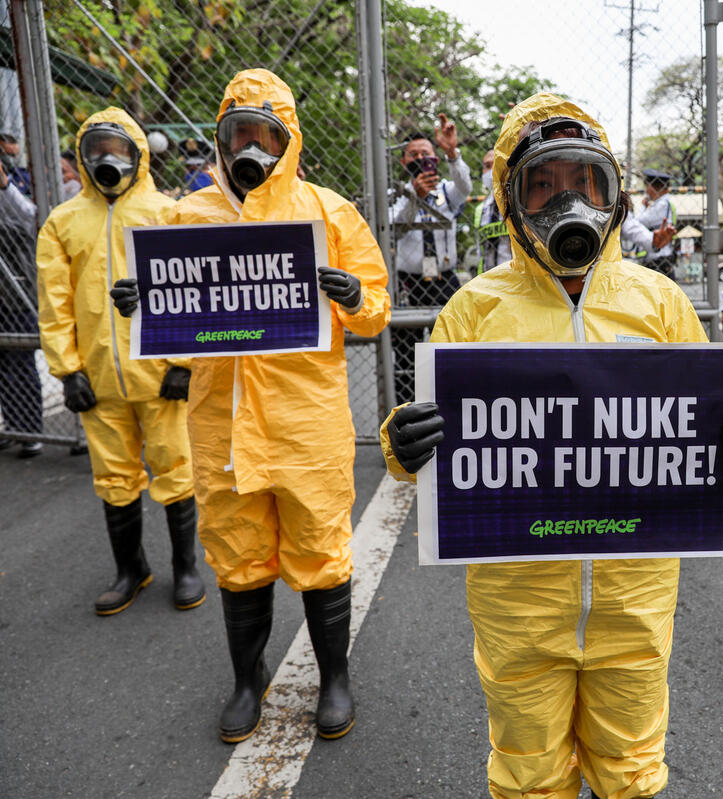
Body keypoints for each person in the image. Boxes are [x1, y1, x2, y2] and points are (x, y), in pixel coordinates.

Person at [381, 93, 723, 799]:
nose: (569, 204)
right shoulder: (474, 309)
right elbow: (428, 433)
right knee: (529, 773)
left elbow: (704, 422)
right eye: (543, 186)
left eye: (586, 183)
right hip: (517, 605)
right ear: (511, 202)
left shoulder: (660, 303)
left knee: (632, 771)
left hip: (635, 600)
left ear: (614, 196)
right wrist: (401, 442)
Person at [110, 69, 390, 743]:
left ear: (289, 141)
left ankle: (334, 678)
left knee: (321, 548)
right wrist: (141, 306)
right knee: (238, 553)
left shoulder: (327, 212)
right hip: (219, 420)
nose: (252, 149)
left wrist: (354, 296)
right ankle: (247, 678)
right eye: (240, 134)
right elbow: (170, 325)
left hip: (305, 421)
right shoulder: (186, 216)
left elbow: (377, 310)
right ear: (221, 138)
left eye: (267, 135)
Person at [36, 108, 201, 614]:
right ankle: (131, 570)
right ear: (83, 157)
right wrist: (67, 371)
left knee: (176, 468)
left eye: (119, 150)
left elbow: (191, 293)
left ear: (138, 155)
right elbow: (55, 304)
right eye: (98, 150)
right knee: (113, 476)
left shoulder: (167, 214)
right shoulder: (63, 222)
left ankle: (186, 567)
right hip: (99, 376)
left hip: (159, 374)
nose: (109, 160)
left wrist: (183, 362)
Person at [388, 114, 471, 402]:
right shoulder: (396, 195)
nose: (421, 159)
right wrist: (415, 196)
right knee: (406, 353)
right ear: (404, 161)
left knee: (449, 344)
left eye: (426, 153)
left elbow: (466, 187)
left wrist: (452, 152)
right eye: (414, 155)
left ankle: (451, 403)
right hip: (408, 282)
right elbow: (393, 229)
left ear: (435, 157)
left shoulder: (447, 190)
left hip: (444, 279)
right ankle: (406, 410)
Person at [0, 125, 44, 458]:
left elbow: (31, 218)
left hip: (18, 292)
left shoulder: (21, 186)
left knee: (22, 361)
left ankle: (31, 430)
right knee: (4, 364)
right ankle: (14, 425)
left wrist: (5, 185)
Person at [633, 167, 677, 278]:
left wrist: (643, 207)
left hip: (658, 263)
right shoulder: (662, 203)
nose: (646, 191)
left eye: (647, 187)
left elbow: (638, 222)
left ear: (652, 188)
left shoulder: (662, 205)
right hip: (657, 262)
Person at [473, 148, 511, 273]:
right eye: (487, 166)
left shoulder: (519, 203)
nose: (491, 171)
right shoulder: (480, 209)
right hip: (487, 277)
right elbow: (480, 250)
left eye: (496, 164)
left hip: (514, 278)